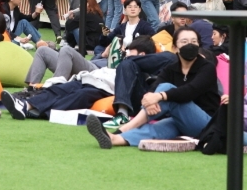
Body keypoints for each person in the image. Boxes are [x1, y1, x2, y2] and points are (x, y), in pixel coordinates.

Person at [86, 26, 220, 148]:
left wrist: (159, 96)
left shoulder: (207, 67)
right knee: (155, 129)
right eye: (184, 42)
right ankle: (115, 139)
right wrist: (149, 99)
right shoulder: (171, 69)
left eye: (194, 42)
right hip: (181, 121)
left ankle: (124, 128)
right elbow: (155, 87)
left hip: (206, 124)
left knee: (167, 89)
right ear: (174, 48)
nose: (190, 45)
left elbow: (190, 91)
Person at [2, 36, 157, 120]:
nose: (126, 53)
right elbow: (100, 48)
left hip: (102, 86)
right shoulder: (123, 60)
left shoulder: (138, 71)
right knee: (61, 89)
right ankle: (26, 105)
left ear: (142, 55)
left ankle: (37, 110)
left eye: (130, 51)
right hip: (89, 76)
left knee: (79, 96)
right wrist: (102, 55)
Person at [104, 0, 173, 127]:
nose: (133, 9)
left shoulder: (145, 28)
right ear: (125, 10)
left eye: (135, 6)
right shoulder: (121, 27)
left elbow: (150, 44)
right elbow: (106, 41)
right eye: (130, 6)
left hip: (154, 95)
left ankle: (123, 114)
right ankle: (122, 113)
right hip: (117, 73)